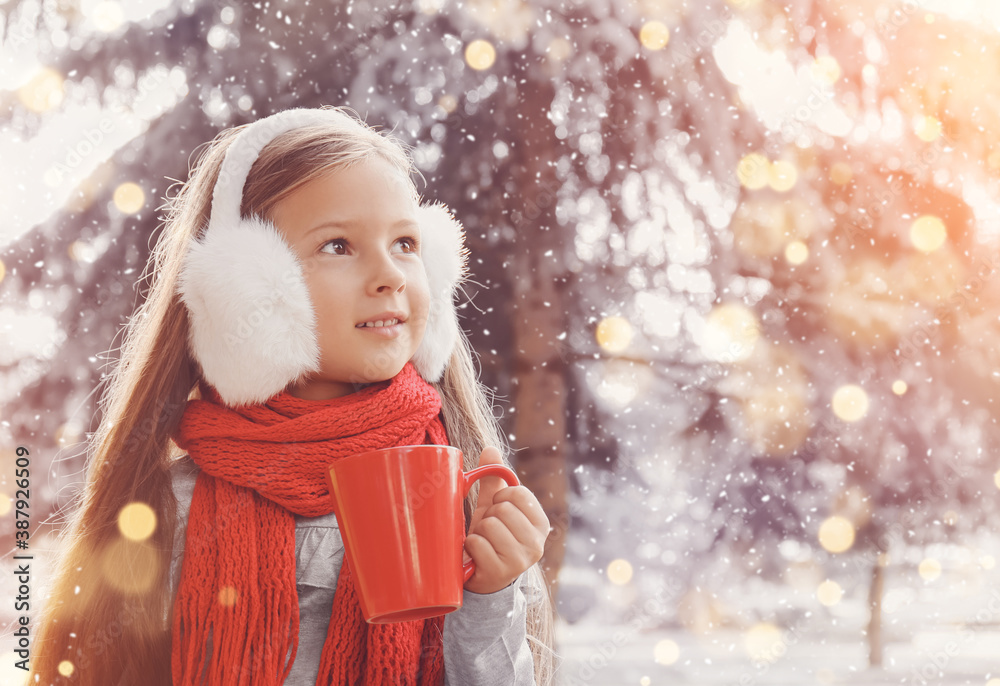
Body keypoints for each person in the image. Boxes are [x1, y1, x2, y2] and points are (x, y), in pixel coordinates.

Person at [31, 106, 557, 685]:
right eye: (338, 246)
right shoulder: (170, 509)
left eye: (405, 243)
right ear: (246, 286)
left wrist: (491, 596)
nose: (390, 276)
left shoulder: (458, 490)